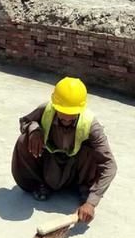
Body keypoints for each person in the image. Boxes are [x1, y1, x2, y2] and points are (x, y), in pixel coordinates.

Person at [11, 77, 117, 223]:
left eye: (71, 115)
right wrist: (34, 129)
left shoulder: (91, 125)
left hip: (76, 168)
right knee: (24, 140)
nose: (67, 119)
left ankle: (84, 188)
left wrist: (92, 202)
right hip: (49, 164)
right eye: (62, 113)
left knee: (95, 151)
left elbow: (110, 164)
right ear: (55, 105)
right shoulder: (46, 109)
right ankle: (39, 183)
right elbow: (25, 121)